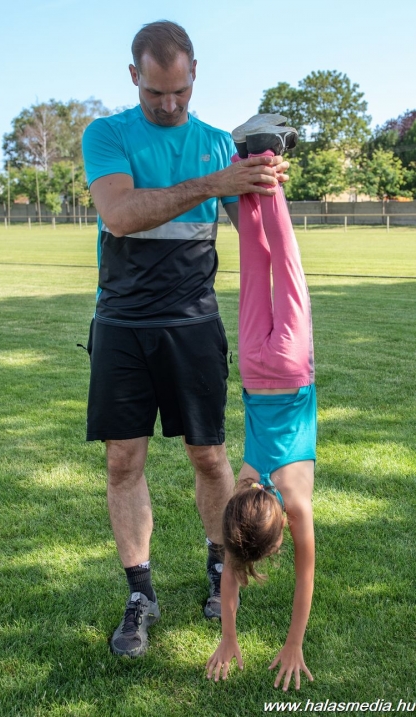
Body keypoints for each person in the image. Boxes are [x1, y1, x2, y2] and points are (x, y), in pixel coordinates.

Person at [82, 21, 289, 658]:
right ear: (134, 77)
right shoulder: (107, 134)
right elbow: (120, 214)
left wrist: (266, 181)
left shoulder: (220, 145)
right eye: (155, 93)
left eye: (180, 91)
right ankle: (140, 594)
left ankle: (220, 570)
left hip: (194, 325)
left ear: (194, 73)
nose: (169, 105)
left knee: (209, 457)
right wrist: (212, 185)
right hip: (122, 323)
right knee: (123, 461)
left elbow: (260, 234)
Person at [206, 116, 316, 690]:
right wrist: (227, 634)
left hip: (293, 369)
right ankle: (248, 158)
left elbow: (304, 576)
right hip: (253, 368)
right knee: (257, 262)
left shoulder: (294, 503)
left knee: (284, 262)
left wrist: (290, 642)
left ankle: (266, 155)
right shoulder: (244, 486)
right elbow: (231, 562)